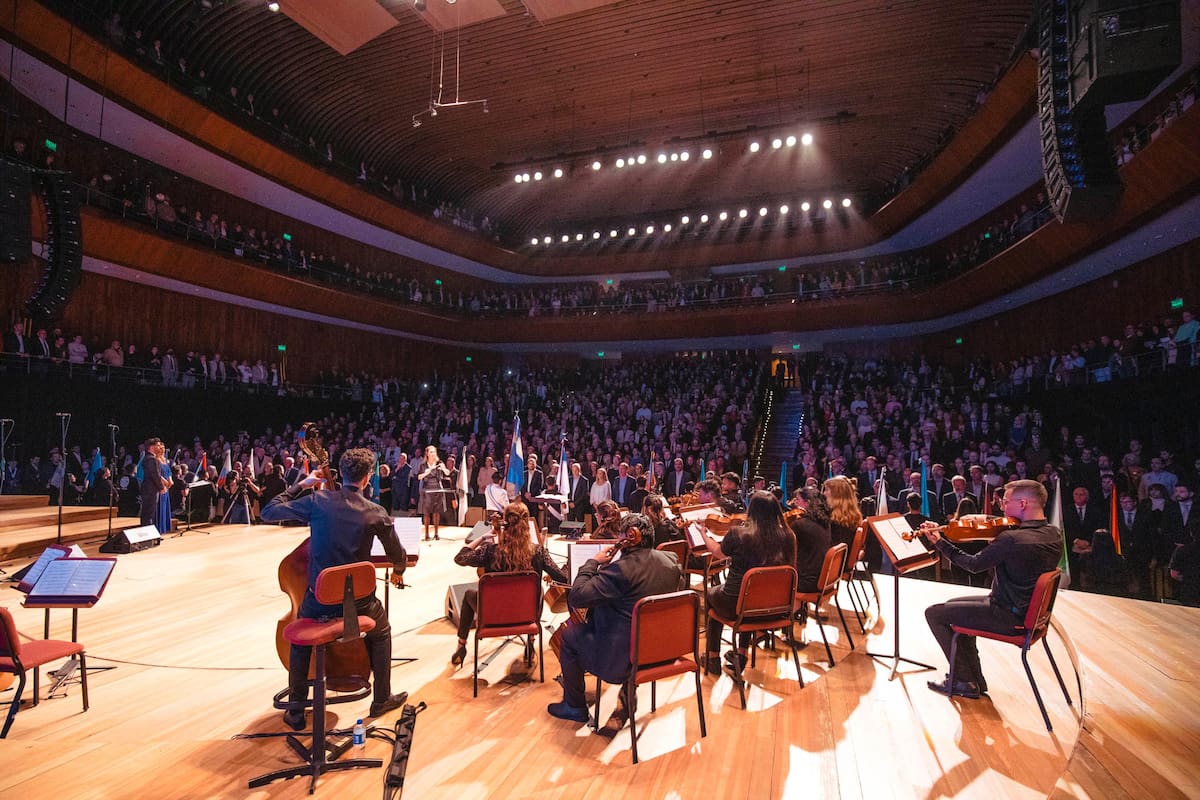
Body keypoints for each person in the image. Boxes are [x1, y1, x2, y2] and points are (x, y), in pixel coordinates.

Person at [261, 448, 409, 728]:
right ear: (367, 478)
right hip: (360, 604)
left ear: (341, 473)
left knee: (300, 639)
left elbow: (269, 511)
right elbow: (397, 555)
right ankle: (381, 699)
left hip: (319, 601)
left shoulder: (317, 501)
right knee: (382, 632)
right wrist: (399, 570)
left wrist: (301, 485)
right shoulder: (375, 512)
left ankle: (295, 709)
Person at [922, 479, 1064, 699]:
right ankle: (972, 679)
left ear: (1023, 504)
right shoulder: (1054, 534)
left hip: (1009, 615)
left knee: (934, 613)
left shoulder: (1012, 538)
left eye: (1006, 501)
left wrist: (939, 542)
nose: (1001, 507)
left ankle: (963, 680)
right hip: (1028, 613)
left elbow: (973, 565)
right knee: (952, 608)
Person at [547, 512, 683, 723]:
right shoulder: (671, 561)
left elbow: (577, 596)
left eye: (621, 534)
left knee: (571, 634)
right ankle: (629, 688)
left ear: (631, 535)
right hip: (661, 651)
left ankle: (574, 706)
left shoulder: (621, 570)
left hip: (622, 658)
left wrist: (592, 562)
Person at [449, 501, 568, 666]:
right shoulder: (538, 552)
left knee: (470, 594)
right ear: (526, 525)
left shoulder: (490, 550)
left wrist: (482, 537)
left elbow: (460, 558)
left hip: (493, 615)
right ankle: (531, 641)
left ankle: (461, 646)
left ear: (505, 522)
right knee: (537, 590)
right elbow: (562, 578)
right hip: (526, 616)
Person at [700, 491, 798, 676]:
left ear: (751, 510)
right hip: (775, 609)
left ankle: (713, 658)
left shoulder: (739, 534)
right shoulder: (788, 536)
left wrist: (704, 535)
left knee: (713, 594)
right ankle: (741, 654)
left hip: (739, 607)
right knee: (750, 595)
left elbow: (718, 553)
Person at [789, 486, 833, 594]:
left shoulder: (800, 525)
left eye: (798, 500)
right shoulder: (825, 522)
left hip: (806, 582)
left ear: (807, 503)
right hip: (822, 578)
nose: (794, 503)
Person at [416, 445, 448, 541]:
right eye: (431, 452)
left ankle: (436, 533)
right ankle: (426, 534)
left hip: (438, 489)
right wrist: (426, 472)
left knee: (436, 512)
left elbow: (447, 473)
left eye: (434, 452)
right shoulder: (423, 465)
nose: (433, 454)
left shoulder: (440, 463)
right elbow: (419, 477)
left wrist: (443, 469)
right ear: (427, 454)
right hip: (427, 489)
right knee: (426, 513)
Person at [138, 438, 167, 527]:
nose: (159, 447)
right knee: (149, 513)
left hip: (148, 488)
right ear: (151, 447)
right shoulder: (151, 459)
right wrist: (161, 487)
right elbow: (155, 475)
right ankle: (148, 534)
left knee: (148, 512)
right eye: (157, 445)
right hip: (151, 489)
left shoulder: (148, 458)